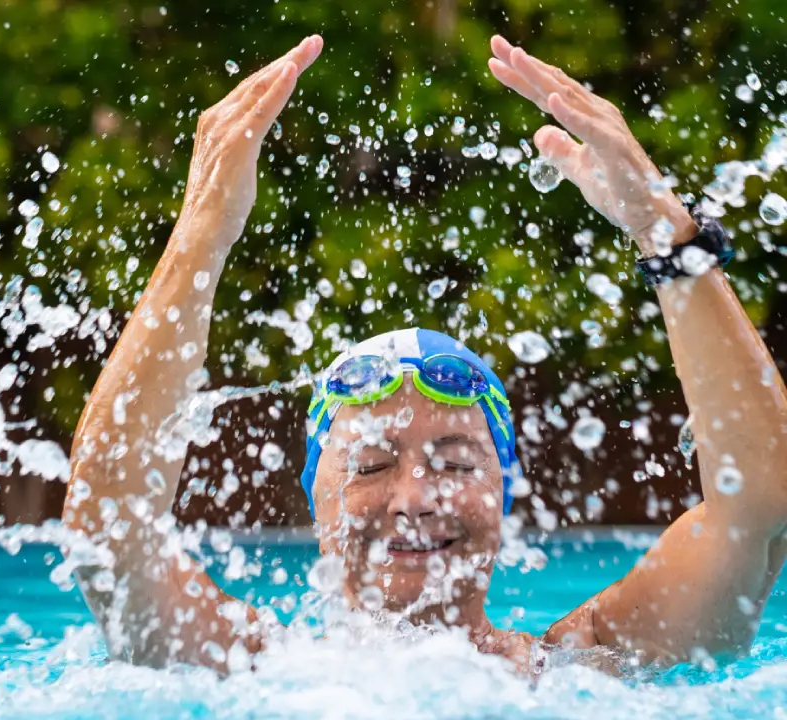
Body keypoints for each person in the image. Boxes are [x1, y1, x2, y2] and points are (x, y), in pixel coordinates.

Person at [62, 33, 787, 676]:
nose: (413, 499)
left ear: (505, 489)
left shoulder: (583, 664)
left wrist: (665, 233)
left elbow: (759, 505)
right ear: (316, 495)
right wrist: (201, 236)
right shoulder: (247, 665)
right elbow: (105, 526)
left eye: (454, 462)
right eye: (372, 463)